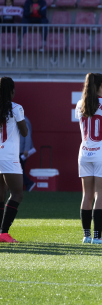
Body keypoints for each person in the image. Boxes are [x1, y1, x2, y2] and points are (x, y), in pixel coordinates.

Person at [75, 73, 102, 245]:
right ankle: (97, 236)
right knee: (100, 195)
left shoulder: (80, 104)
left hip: (85, 153)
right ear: (101, 86)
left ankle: (86, 236)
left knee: (86, 195)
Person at [0, 77, 28, 243]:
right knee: (17, 194)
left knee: (0, 195)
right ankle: (4, 232)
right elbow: (24, 132)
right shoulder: (16, 108)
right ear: (11, 91)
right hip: (9, 155)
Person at [19, 116, 35, 191]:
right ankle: (20, 187)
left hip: (21, 150)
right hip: (18, 149)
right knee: (20, 169)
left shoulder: (23, 120)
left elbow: (27, 135)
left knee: (17, 170)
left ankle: (29, 183)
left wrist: (26, 149)